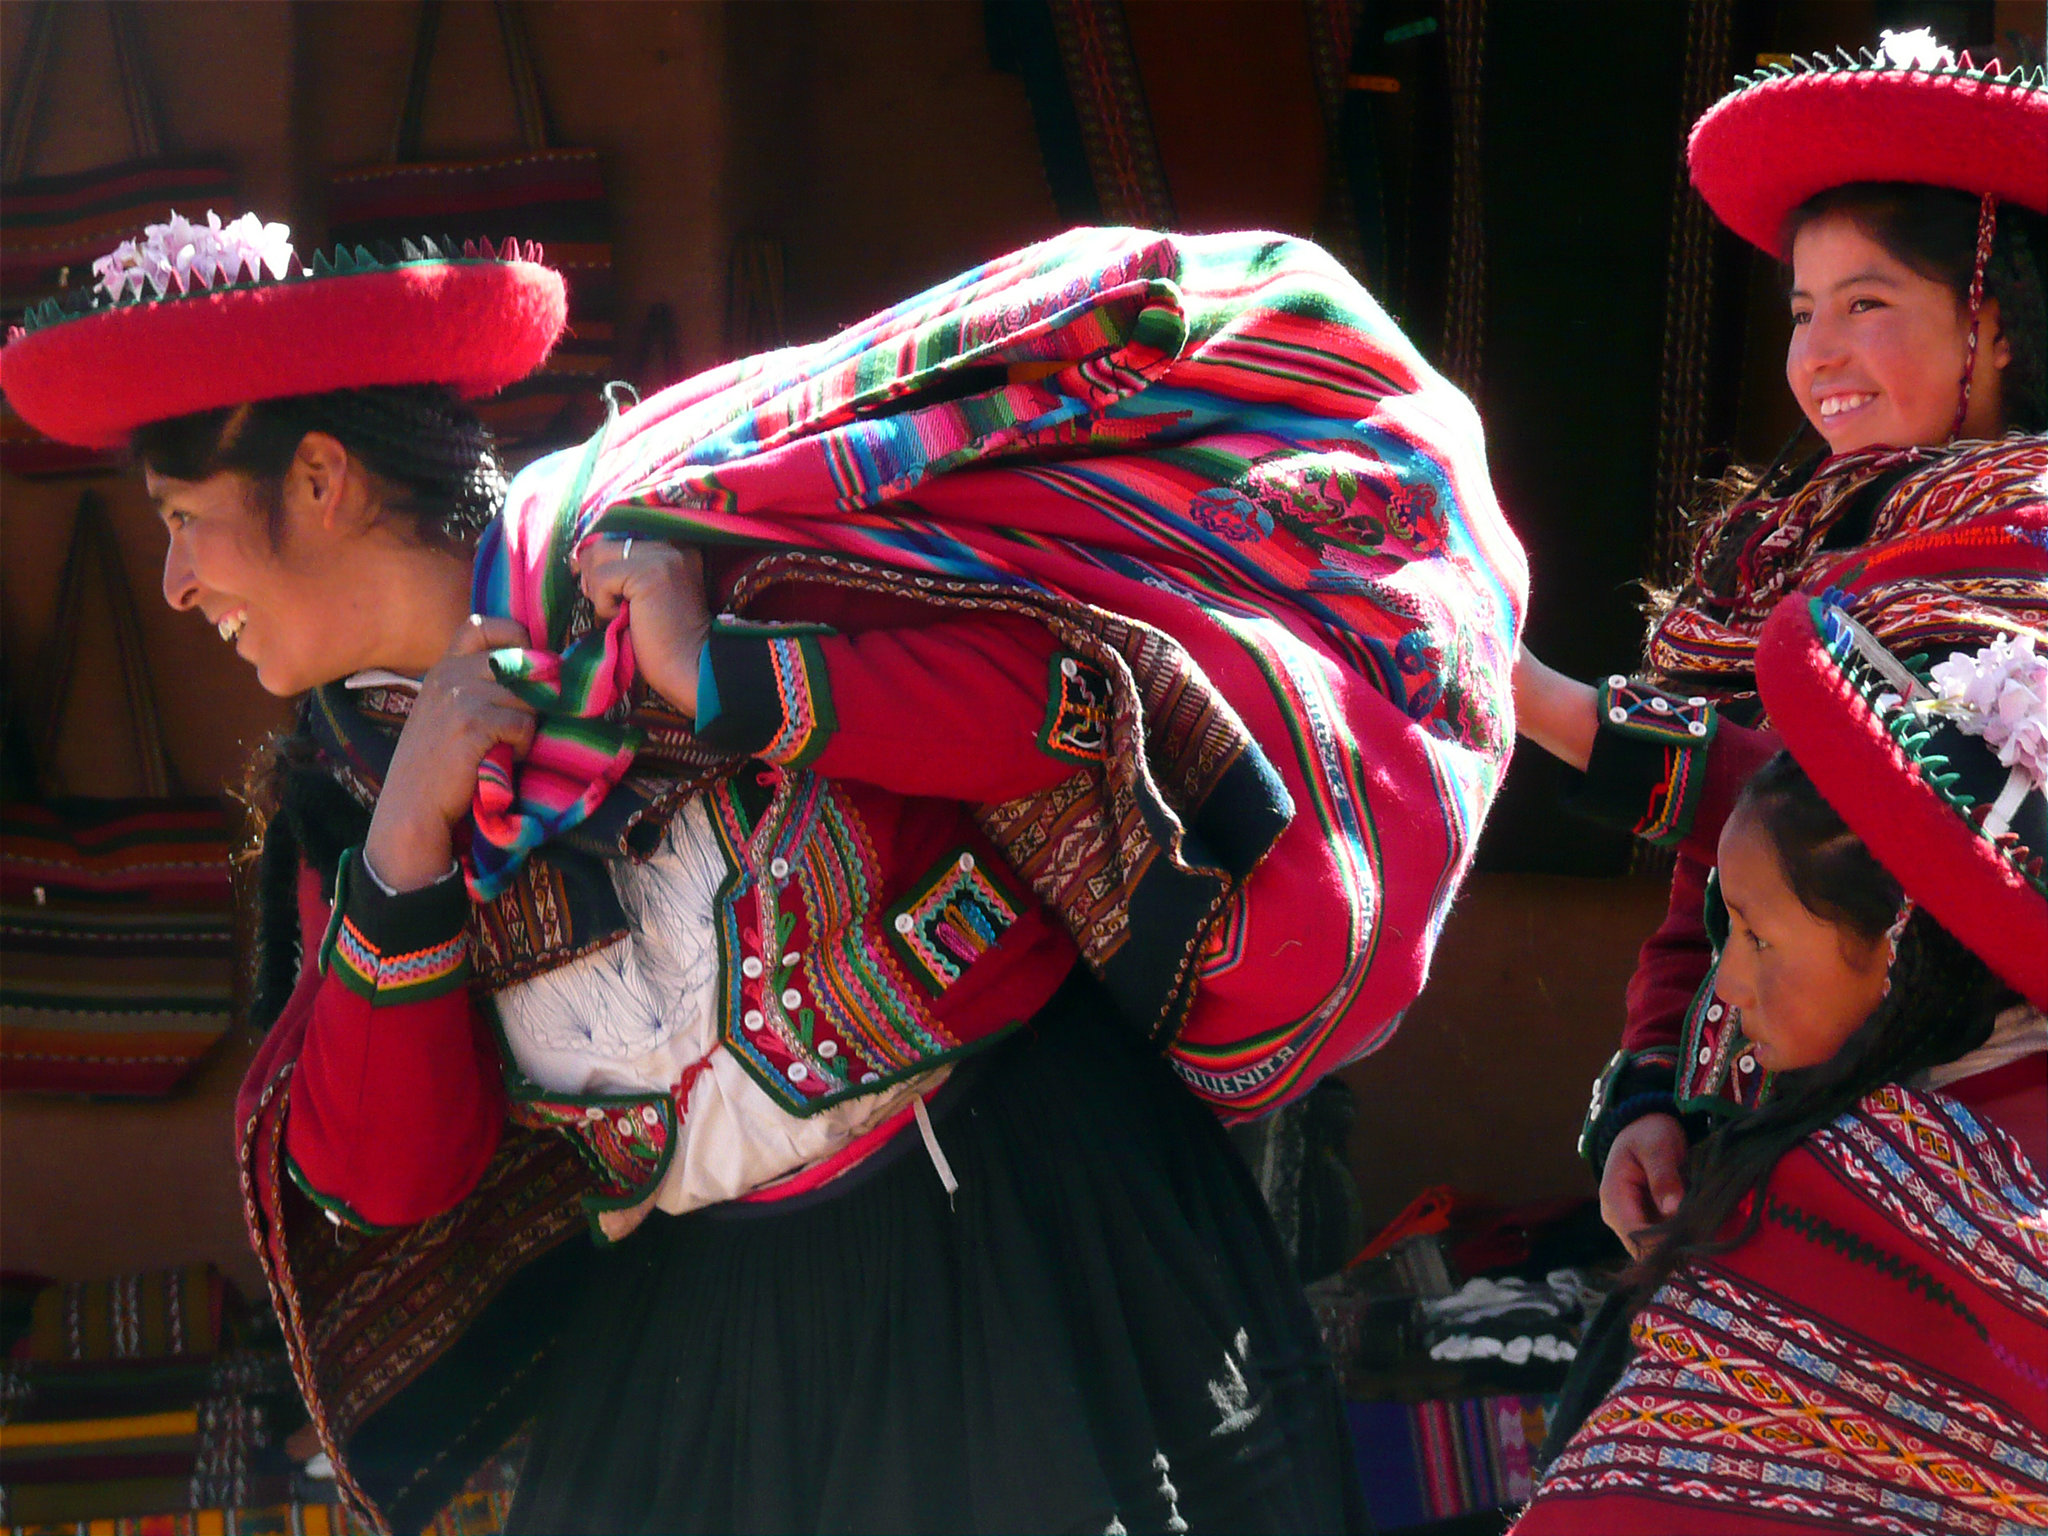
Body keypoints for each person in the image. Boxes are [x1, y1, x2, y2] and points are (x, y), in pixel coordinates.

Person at [0, 219, 1528, 1530]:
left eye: (190, 525)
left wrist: (732, 678)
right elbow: (390, 1183)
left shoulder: (692, 550)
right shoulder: (354, 814)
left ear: (320, 481)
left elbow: (1072, 711)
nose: (178, 585)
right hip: (714, 1349)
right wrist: (407, 849)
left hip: (1031, 1247)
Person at [1510, 31, 2048, 1252]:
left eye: (1867, 304)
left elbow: (1871, 827)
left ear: (1999, 326)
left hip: (1957, 1171)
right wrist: (1651, 1092)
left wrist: (1547, 708)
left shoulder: (2027, 551)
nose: (1815, 352)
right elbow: (1714, 889)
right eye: (1803, 310)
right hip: (1746, 1141)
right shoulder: (1797, 549)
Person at [1509, 591, 2047, 1533]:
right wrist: (1648, 1093)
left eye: (1754, 941)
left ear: (1901, 945)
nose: (1725, 994)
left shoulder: (1850, 1198)